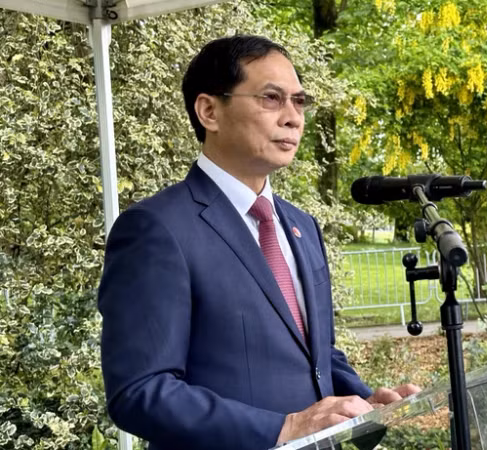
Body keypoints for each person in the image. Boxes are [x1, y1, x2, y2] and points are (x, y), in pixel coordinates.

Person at [98, 35, 419, 450]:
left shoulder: (302, 225)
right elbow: (139, 392)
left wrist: (362, 402)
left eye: (300, 102)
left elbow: (316, 355)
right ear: (209, 111)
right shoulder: (155, 229)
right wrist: (280, 430)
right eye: (272, 98)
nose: (293, 118)